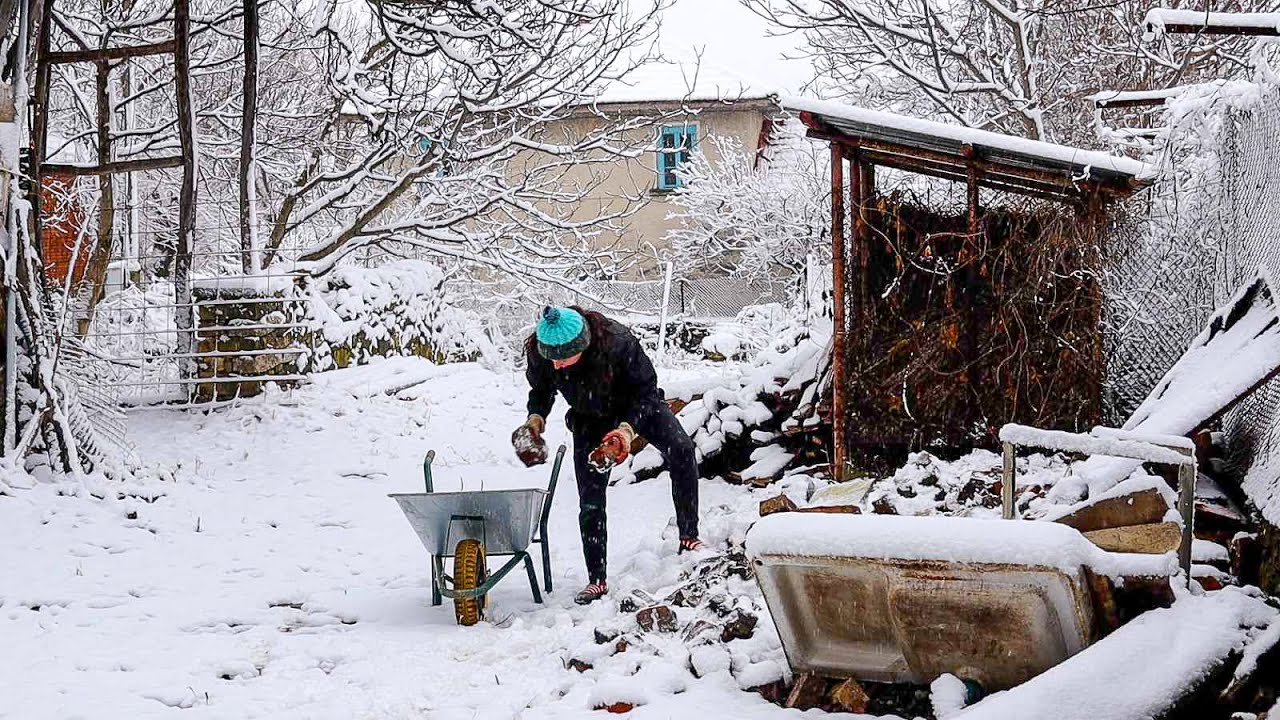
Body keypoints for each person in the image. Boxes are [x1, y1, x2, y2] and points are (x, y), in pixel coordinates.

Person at [513, 306, 705, 605]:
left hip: (639, 405)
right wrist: (535, 420)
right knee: (590, 497)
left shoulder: (618, 343)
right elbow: (541, 390)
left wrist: (627, 431)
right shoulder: (543, 353)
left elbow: (646, 390)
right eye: (552, 358)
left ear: (583, 345)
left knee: (681, 450)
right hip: (589, 416)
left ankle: (689, 534)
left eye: (564, 358)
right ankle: (597, 579)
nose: (558, 366)